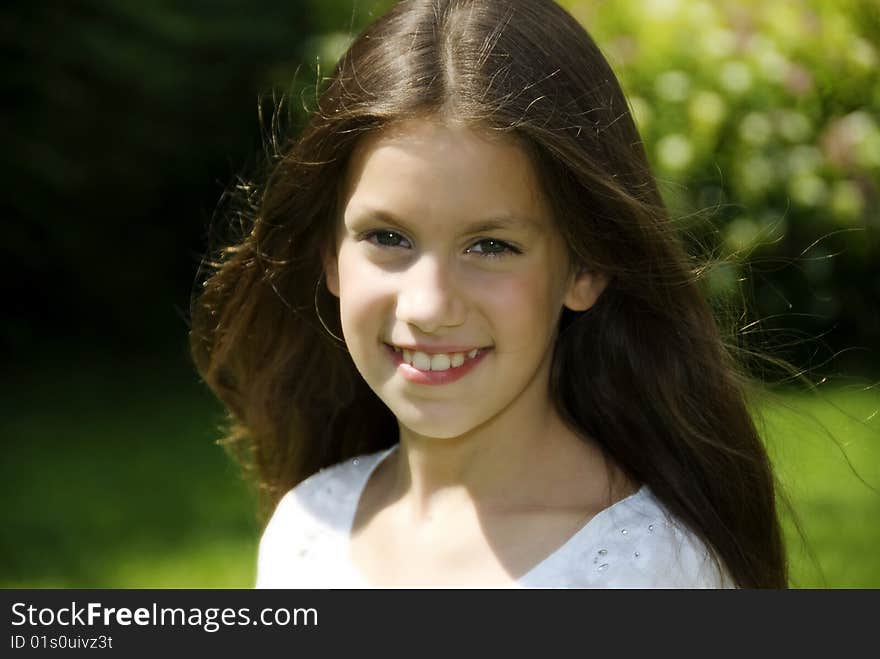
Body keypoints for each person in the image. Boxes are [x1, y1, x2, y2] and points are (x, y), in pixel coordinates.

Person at [190, 0, 787, 588]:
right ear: (330, 257)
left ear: (586, 266)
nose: (428, 306)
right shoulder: (304, 531)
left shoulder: (656, 571)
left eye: (491, 246)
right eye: (388, 237)